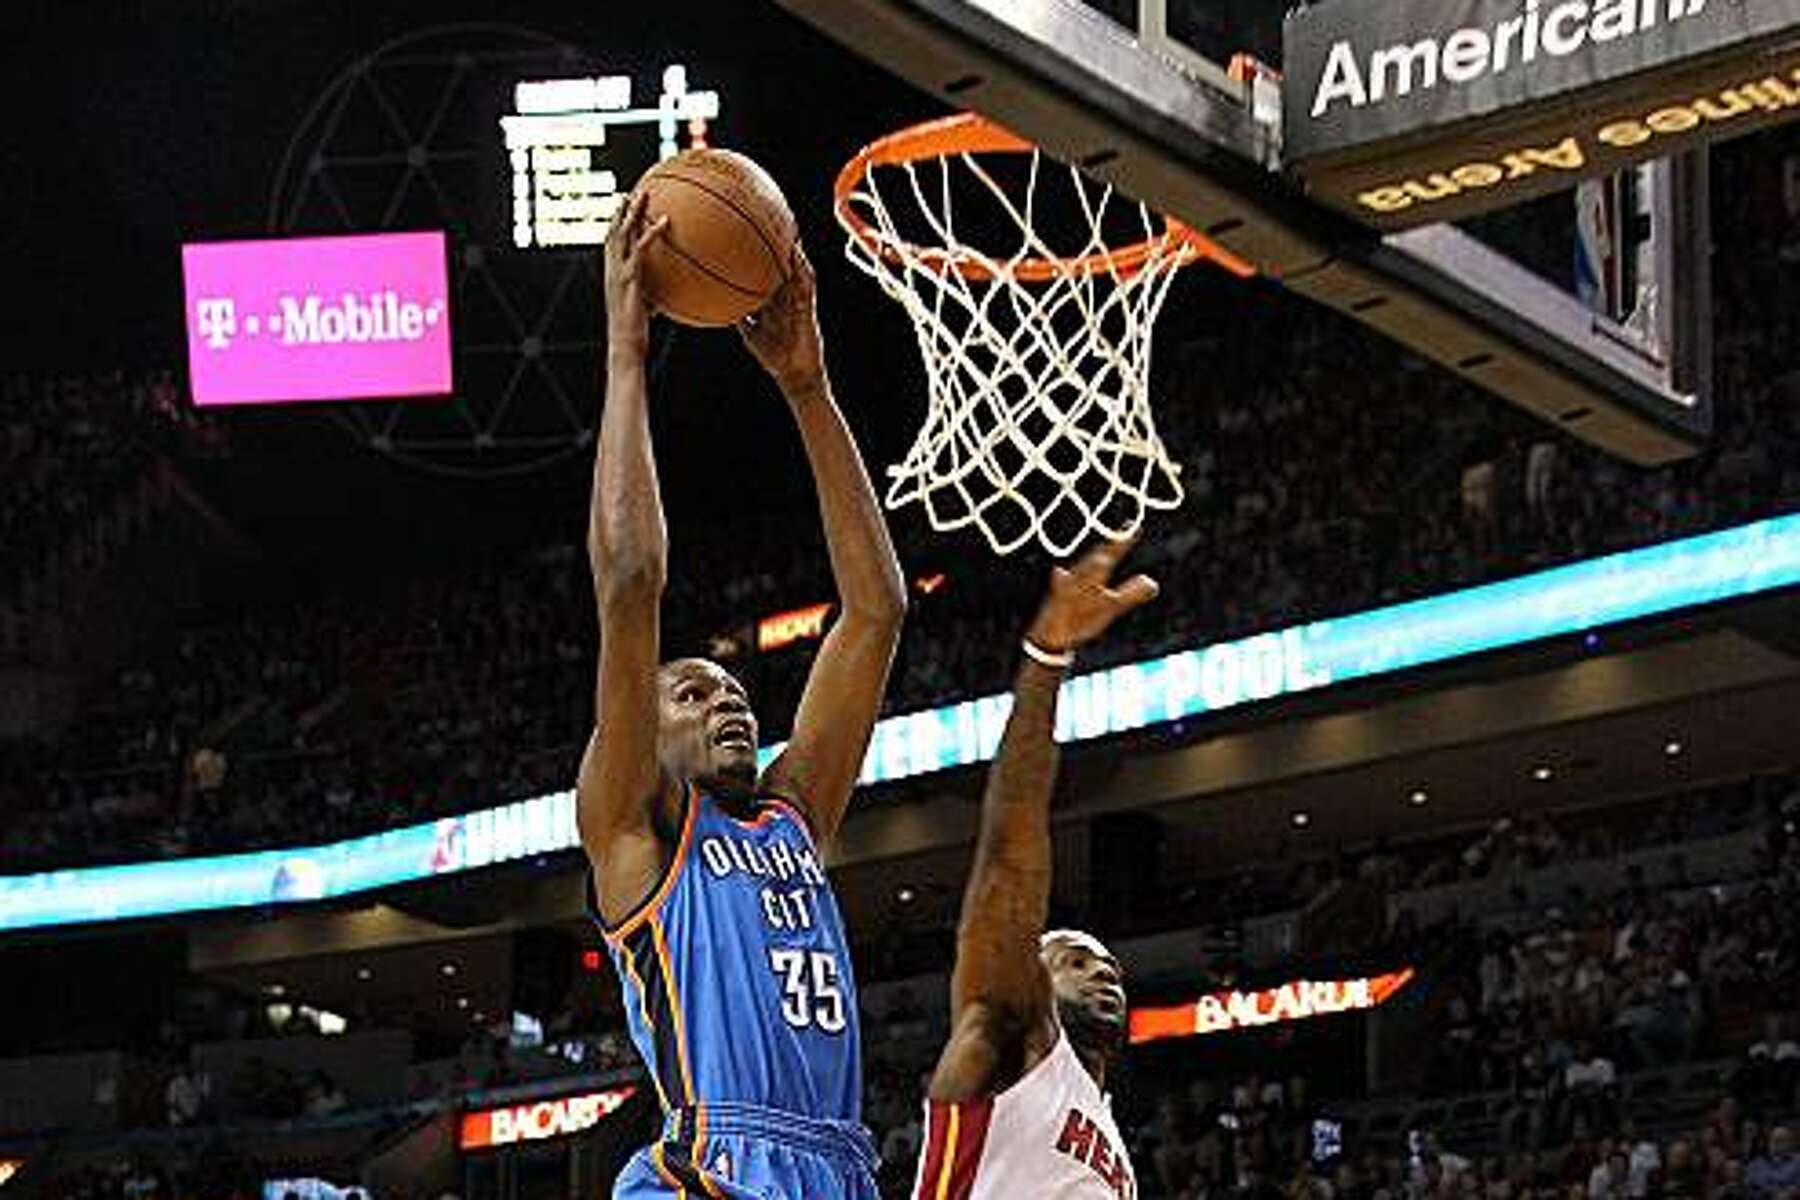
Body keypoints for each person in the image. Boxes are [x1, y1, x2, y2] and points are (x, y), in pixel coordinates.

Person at [582, 191, 907, 1198]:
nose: (728, 703)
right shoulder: (632, 827)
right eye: (690, 694)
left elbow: (876, 611)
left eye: (733, 691)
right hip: (713, 1168)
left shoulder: (790, 817)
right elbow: (632, 581)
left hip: (839, 1166)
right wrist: (627, 358)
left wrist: (809, 388)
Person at [912, 538, 1157, 1198]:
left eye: (1105, 965)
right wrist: (1047, 659)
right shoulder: (1009, 1031)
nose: (1101, 970)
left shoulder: (1111, 1141)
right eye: (1074, 959)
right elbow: (1008, 860)